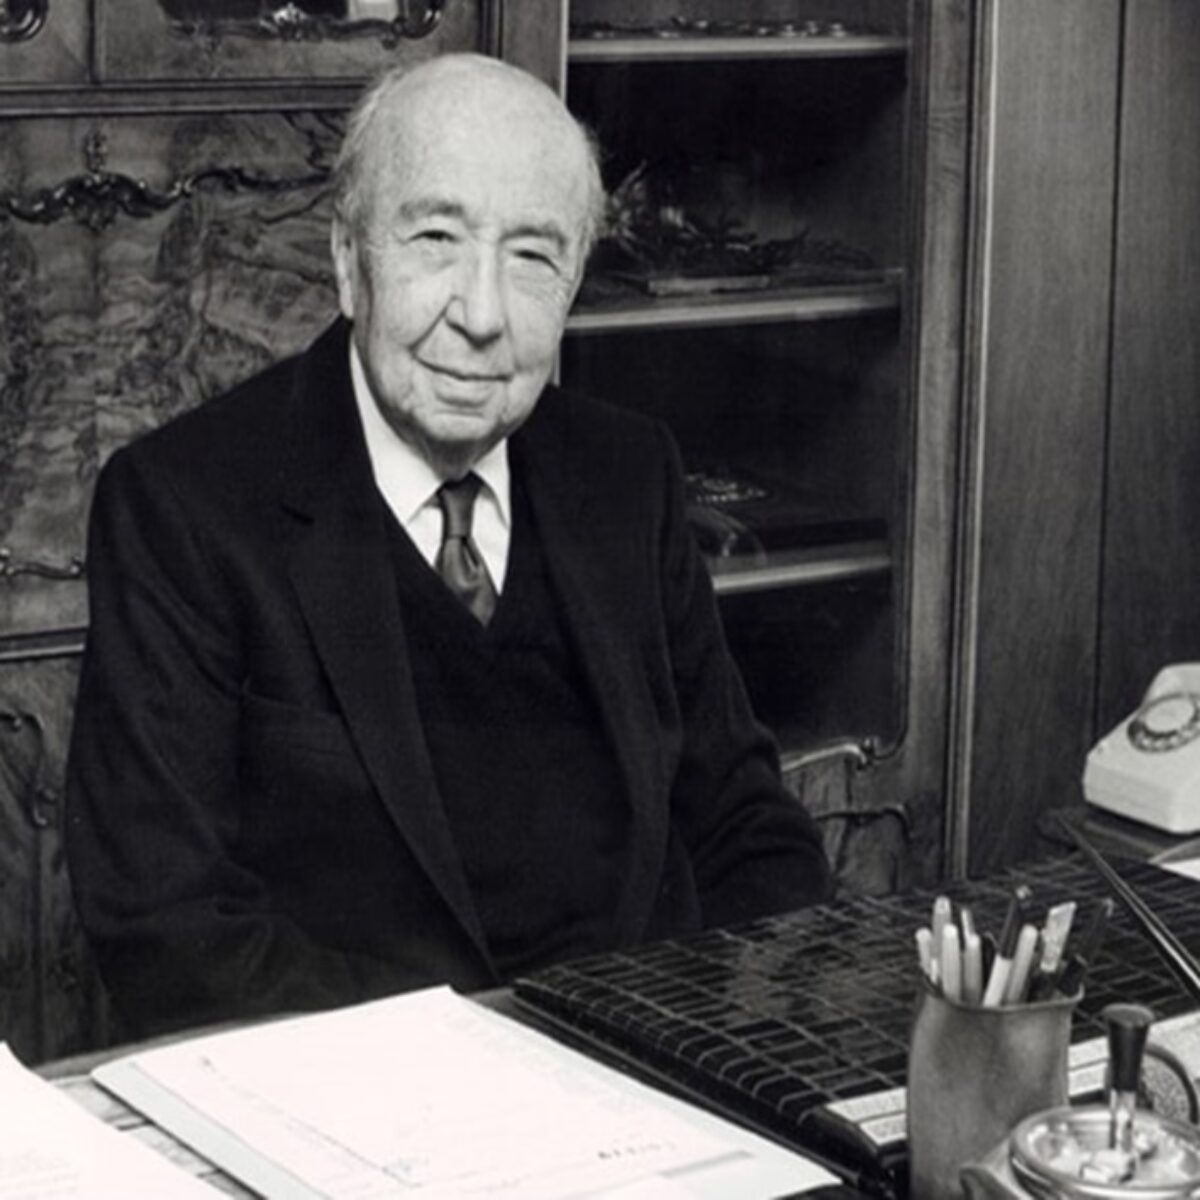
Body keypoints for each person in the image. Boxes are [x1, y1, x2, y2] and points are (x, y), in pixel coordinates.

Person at [65, 52, 832, 1039]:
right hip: (363, 1099)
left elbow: (749, 830)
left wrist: (695, 1044)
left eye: (532, 257)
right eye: (436, 239)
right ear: (350, 263)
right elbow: (167, 932)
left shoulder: (627, 474)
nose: (481, 316)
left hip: (643, 1069)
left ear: (575, 284)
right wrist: (497, 1068)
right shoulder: (184, 508)